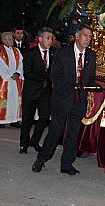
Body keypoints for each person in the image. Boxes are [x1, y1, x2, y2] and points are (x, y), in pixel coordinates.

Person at [32, 24, 97, 175]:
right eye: (85, 36)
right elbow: (54, 77)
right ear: (77, 36)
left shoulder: (91, 55)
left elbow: (90, 78)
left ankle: (67, 164)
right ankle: (41, 159)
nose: (88, 39)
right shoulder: (63, 53)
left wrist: (93, 86)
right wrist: (72, 86)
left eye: (90, 37)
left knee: (73, 133)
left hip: (79, 100)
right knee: (56, 130)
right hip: (62, 98)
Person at [20, 27, 55, 154]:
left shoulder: (54, 52)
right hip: (31, 91)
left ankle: (35, 140)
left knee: (45, 117)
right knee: (27, 119)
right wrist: (44, 77)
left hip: (46, 92)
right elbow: (27, 73)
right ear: (40, 39)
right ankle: (24, 144)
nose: (50, 40)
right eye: (47, 38)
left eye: (51, 38)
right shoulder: (30, 53)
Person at [0, 32, 24, 128]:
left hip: (15, 80)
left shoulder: (16, 51)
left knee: (14, 100)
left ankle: (14, 120)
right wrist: (10, 74)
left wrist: (17, 73)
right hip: (4, 80)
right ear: (3, 40)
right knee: (4, 100)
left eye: (12, 39)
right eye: (9, 39)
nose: (12, 41)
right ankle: (2, 121)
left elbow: (21, 63)